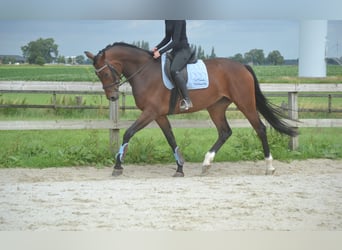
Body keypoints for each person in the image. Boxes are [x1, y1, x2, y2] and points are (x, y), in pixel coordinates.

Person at [153, 20, 193, 111]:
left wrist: (161, 52)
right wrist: (157, 47)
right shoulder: (167, 20)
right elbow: (167, 38)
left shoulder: (179, 20)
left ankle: (187, 100)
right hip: (174, 52)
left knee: (174, 70)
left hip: (183, 51)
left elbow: (175, 41)